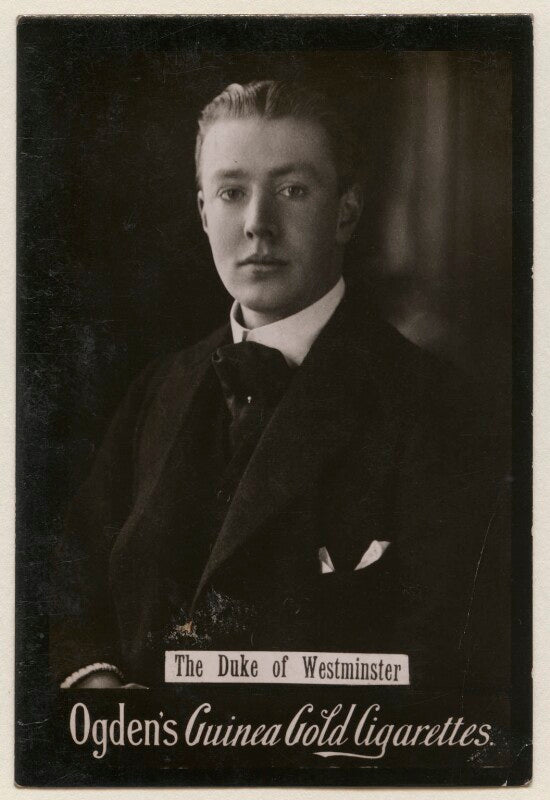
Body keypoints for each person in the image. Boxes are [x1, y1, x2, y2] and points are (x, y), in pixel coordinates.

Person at [50, 80, 509, 691]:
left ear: (346, 211)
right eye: (231, 192)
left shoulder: (440, 408)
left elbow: (451, 664)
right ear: (203, 212)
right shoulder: (157, 389)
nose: (258, 225)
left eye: (292, 191)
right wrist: (97, 685)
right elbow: (69, 586)